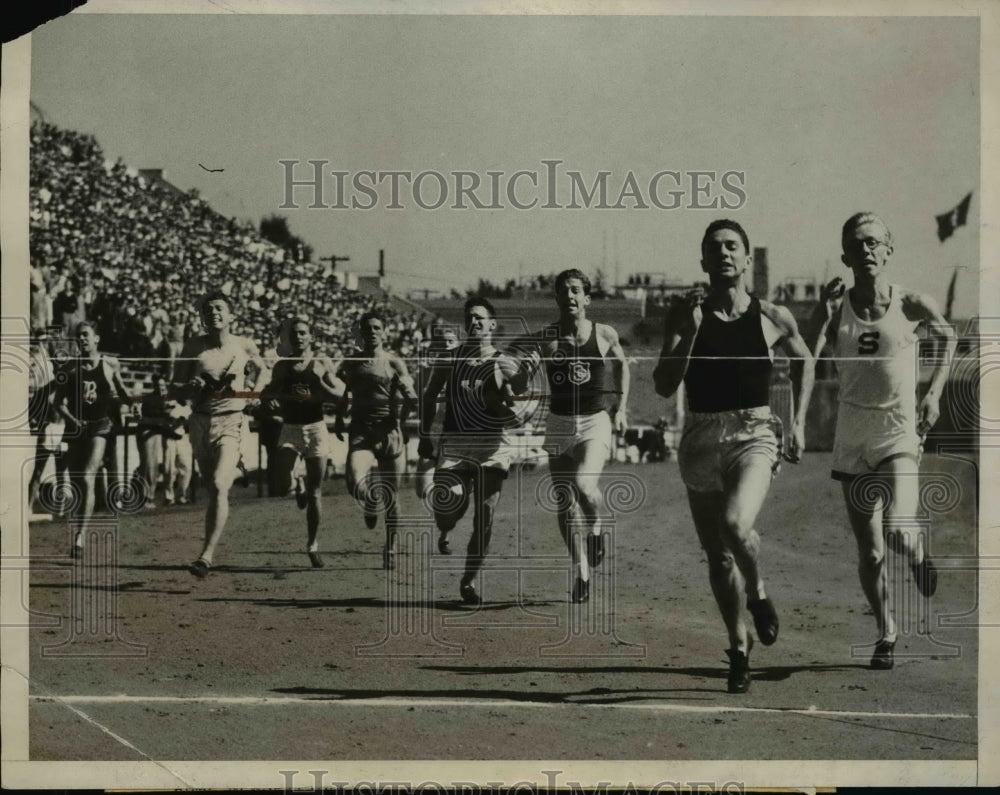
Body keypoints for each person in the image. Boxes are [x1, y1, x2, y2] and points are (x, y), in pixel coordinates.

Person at [653, 219, 815, 694]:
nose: (723, 254)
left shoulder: (772, 317)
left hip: (754, 432)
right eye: (714, 248)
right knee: (719, 559)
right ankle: (738, 648)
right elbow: (664, 385)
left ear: (746, 259)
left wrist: (799, 421)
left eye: (732, 247)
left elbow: (806, 360)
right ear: (703, 262)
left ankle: (760, 596)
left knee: (735, 524)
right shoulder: (684, 315)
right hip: (701, 435)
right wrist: (689, 331)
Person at [807, 212, 955, 670]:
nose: (867, 250)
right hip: (853, 435)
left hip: (898, 430)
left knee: (896, 529)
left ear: (889, 250)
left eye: (875, 242)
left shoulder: (910, 303)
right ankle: (886, 632)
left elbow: (948, 336)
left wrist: (933, 394)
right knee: (869, 551)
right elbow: (808, 357)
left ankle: (916, 553)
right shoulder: (837, 310)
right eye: (858, 244)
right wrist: (821, 314)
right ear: (846, 255)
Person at [514, 268, 630, 604]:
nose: (570, 296)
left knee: (583, 486)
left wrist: (620, 408)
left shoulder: (604, 334)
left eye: (576, 290)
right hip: (559, 423)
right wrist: (523, 370)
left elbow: (622, 365)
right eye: (563, 291)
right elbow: (519, 385)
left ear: (587, 298)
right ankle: (581, 571)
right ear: (556, 298)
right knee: (564, 502)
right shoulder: (545, 338)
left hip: (594, 422)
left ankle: (595, 529)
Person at [418, 297, 524, 605]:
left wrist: (508, 398)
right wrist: (426, 436)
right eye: (469, 318)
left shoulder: (504, 361)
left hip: (492, 445)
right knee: (448, 507)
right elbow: (428, 397)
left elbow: (516, 399)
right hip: (456, 442)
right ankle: (448, 525)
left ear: (492, 324)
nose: (474, 322)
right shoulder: (450, 359)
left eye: (479, 318)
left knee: (486, 515)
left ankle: (469, 579)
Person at [171, 291, 265, 577]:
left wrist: (254, 393)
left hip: (231, 420)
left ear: (231, 315)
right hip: (200, 421)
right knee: (212, 488)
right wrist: (192, 385)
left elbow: (263, 370)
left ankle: (206, 555)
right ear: (202, 317)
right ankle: (237, 468)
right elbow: (176, 387)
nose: (214, 313)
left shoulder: (244, 344)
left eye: (220, 308)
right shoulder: (193, 347)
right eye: (208, 309)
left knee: (218, 483)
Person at [333, 310, 418, 569]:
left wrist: (401, 419)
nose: (372, 332)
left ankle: (390, 548)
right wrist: (339, 417)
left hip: (389, 432)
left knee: (391, 496)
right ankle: (370, 502)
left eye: (376, 328)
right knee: (354, 480)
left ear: (384, 332)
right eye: (367, 328)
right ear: (361, 333)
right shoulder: (351, 362)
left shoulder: (394, 363)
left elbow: (411, 397)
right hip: (361, 430)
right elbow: (345, 392)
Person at [262, 316, 342, 568]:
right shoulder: (282, 366)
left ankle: (312, 545)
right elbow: (268, 392)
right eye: (294, 334)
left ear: (311, 337)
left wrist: (320, 383)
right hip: (291, 428)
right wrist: (269, 400)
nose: (298, 337)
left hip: (316, 428)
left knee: (316, 491)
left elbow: (341, 396)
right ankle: (297, 484)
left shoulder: (321, 362)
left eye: (303, 333)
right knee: (282, 479)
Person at [53, 321, 136, 558]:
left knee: (88, 477)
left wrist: (134, 406)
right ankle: (82, 521)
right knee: (78, 480)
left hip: (101, 425)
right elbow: (58, 403)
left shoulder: (109, 364)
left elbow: (121, 391)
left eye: (86, 335)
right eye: (79, 336)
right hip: (76, 427)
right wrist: (72, 419)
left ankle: (80, 536)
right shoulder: (70, 368)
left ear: (96, 338)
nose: (82, 340)